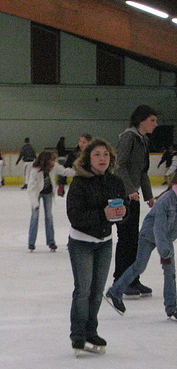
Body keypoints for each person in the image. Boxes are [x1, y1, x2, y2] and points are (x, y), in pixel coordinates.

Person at [66, 139, 128, 355]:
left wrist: (122, 214)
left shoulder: (115, 182)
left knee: (97, 291)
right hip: (81, 241)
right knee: (83, 290)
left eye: (106, 155)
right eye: (97, 155)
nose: (102, 158)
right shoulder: (79, 183)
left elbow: (123, 208)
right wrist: (102, 214)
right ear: (88, 159)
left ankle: (91, 331)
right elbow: (74, 216)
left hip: (104, 243)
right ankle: (78, 335)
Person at [106, 173, 177, 320]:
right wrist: (165, 252)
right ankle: (115, 291)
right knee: (139, 266)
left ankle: (172, 308)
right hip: (149, 235)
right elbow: (158, 228)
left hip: (166, 238)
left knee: (170, 273)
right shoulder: (166, 201)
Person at [113, 104, 157, 297]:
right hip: (123, 196)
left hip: (134, 197)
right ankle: (120, 281)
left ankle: (132, 279)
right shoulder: (128, 137)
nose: (156, 124)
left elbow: (143, 172)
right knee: (126, 240)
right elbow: (119, 166)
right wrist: (130, 190)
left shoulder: (143, 140)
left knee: (134, 241)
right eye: (152, 120)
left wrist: (149, 196)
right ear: (141, 121)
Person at [27, 150, 74, 251]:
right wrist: (35, 204)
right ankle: (31, 242)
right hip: (37, 193)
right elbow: (30, 189)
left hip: (48, 193)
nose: (54, 162)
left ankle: (51, 242)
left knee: (49, 216)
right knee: (35, 217)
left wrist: (78, 171)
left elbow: (65, 171)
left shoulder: (54, 167)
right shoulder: (35, 170)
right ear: (46, 161)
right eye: (52, 160)